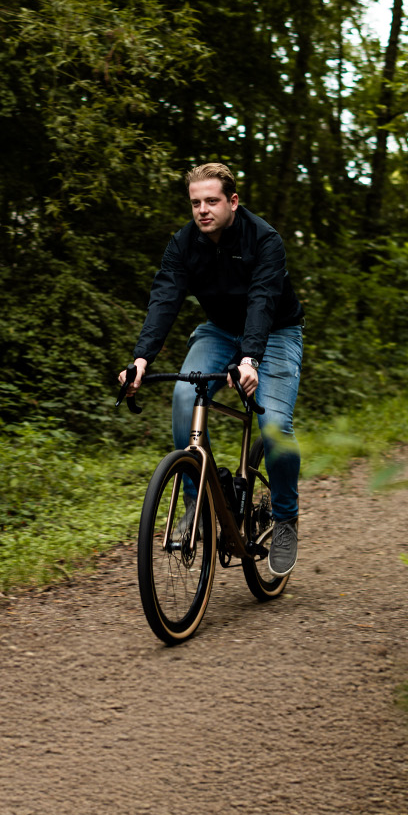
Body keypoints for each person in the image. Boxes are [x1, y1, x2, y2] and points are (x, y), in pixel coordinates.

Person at [118, 162, 306, 575]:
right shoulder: (184, 244)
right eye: (195, 202)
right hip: (219, 331)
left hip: (275, 332)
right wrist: (140, 358)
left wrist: (250, 359)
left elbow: (262, 299)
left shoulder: (264, 239)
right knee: (185, 395)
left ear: (232, 202)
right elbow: (165, 298)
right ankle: (197, 507)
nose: (203, 210)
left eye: (212, 201)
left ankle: (285, 516)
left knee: (274, 425)